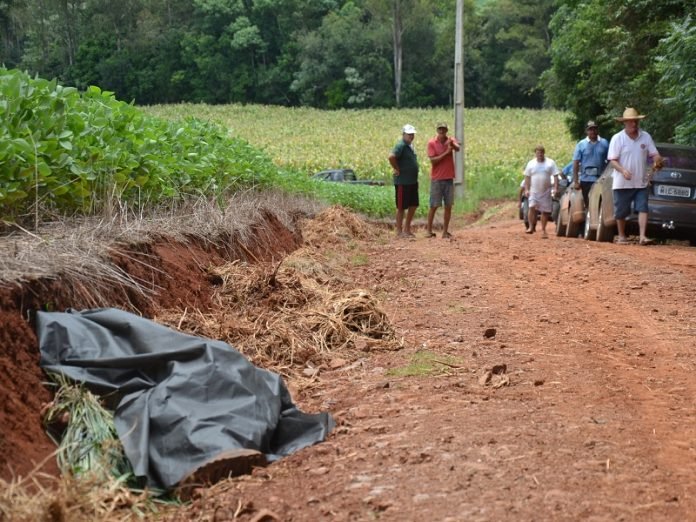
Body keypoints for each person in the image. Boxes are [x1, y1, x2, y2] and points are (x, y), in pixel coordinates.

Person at [607, 107, 663, 245]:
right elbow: (612, 161)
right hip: (622, 182)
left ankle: (643, 236)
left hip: (641, 181)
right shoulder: (617, 138)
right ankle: (621, 236)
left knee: (643, 207)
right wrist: (623, 170)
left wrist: (658, 160)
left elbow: (654, 154)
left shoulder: (646, 136)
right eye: (631, 121)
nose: (634, 124)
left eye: (636, 121)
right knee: (621, 211)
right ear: (624, 123)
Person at [426, 122, 460, 238]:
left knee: (448, 205)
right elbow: (433, 161)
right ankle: (428, 231)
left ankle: (445, 231)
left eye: (444, 129)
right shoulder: (431, 143)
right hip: (437, 178)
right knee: (434, 205)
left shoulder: (450, 140)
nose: (442, 131)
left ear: (446, 130)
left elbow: (458, 148)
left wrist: (452, 146)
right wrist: (446, 153)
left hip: (448, 177)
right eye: (440, 129)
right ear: (437, 130)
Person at [388, 124, 420, 238]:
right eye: (409, 134)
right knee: (401, 207)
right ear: (403, 134)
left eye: (412, 134)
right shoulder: (401, 145)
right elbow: (391, 156)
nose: (411, 136)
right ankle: (399, 231)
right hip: (403, 181)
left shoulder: (410, 146)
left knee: (413, 204)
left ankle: (407, 229)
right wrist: (396, 168)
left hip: (412, 181)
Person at [523, 145, 560, 239]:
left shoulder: (550, 163)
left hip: (546, 191)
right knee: (531, 207)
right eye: (538, 153)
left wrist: (555, 188)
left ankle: (543, 229)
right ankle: (531, 227)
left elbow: (555, 176)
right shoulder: (531, 163)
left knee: (545, 211)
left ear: (544, 153)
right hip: (533, 190)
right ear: (535, 153)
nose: (539, 155)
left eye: (541, 153)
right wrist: (526, 189)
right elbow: (527, 177)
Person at [572, 120, 609, 207]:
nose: (593, 131)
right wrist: (576, 181)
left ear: (598, 130)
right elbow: (576, 163)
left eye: (595, 129)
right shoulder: (581, 144)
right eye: (590, 129)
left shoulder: (604, 143)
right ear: (586, 131)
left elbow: (610, 161)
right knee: (588, 203)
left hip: (601, 179)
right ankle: (589, 219)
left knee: (600, 203)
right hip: (586, 180)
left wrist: (608, 176)